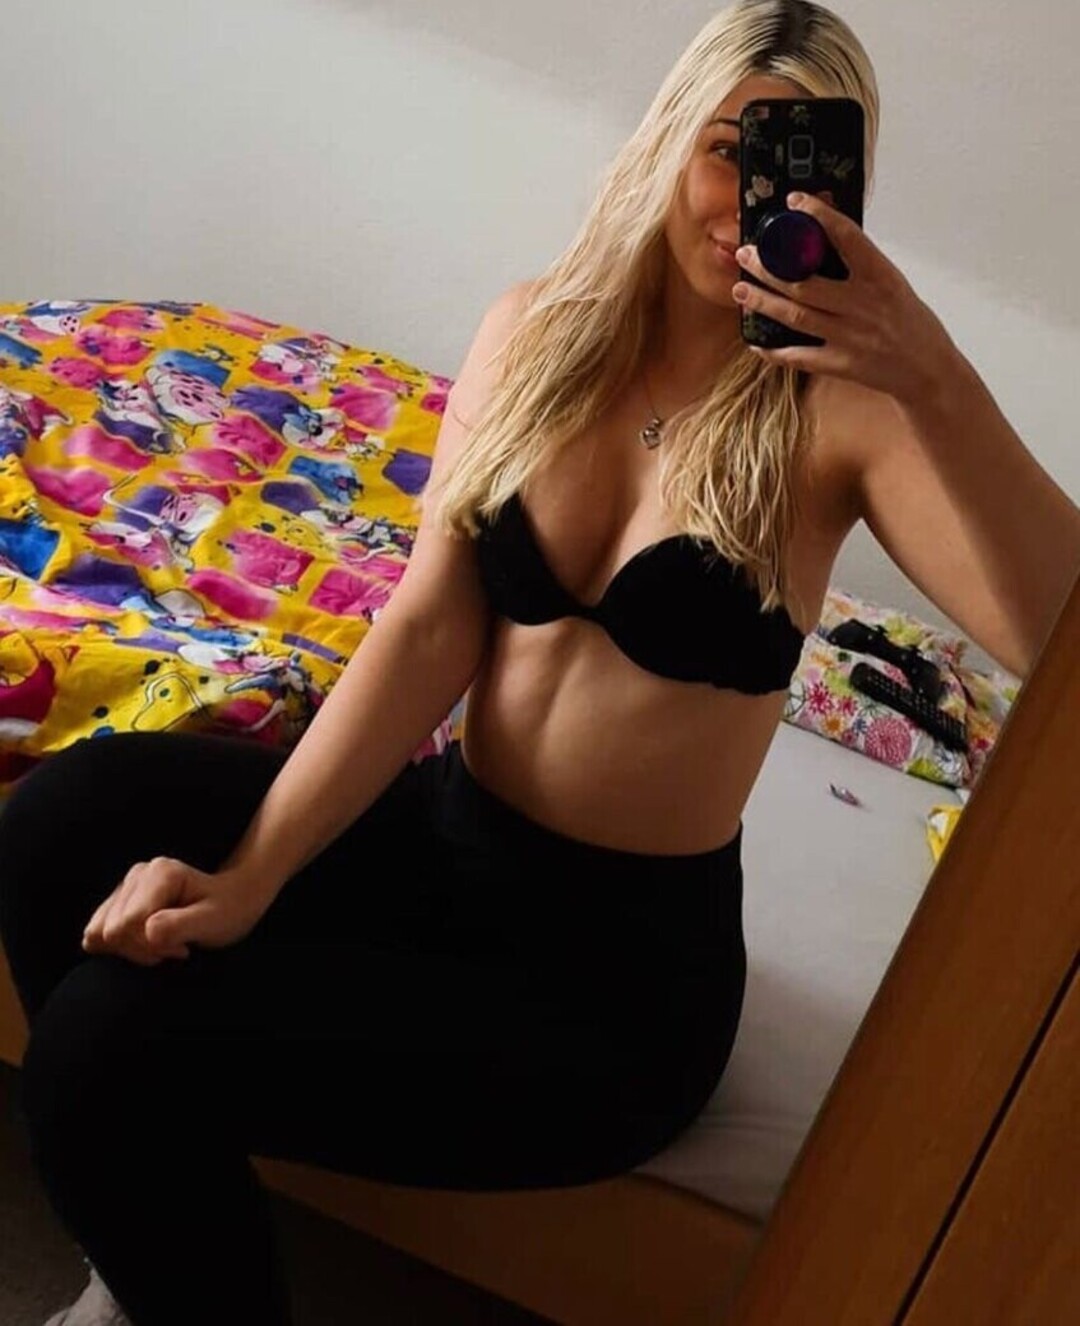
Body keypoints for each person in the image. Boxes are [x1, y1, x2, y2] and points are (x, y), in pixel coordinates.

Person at [3, 2, 1079, 1323]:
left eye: (797, 166)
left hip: (610, 985)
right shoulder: (537, 333)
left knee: (103, 1046)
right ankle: (153, 1233)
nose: (751, 203)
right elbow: (426, 625)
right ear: (672, 136)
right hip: (449, 834)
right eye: (729, 149)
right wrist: (253, 875)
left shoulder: (842, 416)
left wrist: (937, 374)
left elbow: (1059, 634)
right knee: (58, 819)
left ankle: (151, 1219)